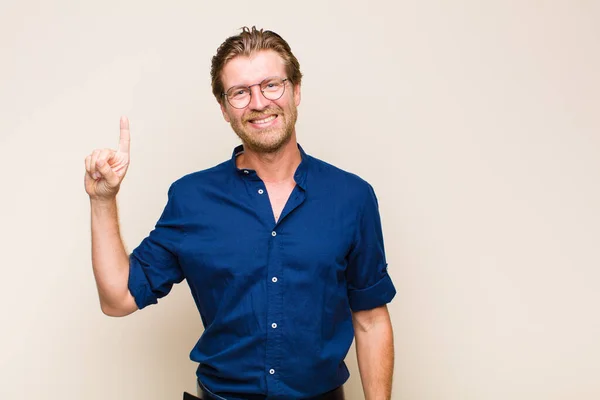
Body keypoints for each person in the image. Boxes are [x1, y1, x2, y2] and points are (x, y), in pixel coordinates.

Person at [84, 26, 396, 400]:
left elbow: (371, 320)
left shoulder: (352, 197)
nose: (259, 102)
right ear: (224, 109)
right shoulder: (192, 198)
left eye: (271, 85)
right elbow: (117, 298)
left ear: (296, 91)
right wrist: (103, 200)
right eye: (240, 92)